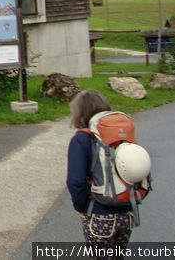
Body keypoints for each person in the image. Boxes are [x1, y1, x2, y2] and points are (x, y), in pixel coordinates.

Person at [66, 89, 134, 249]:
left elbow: (75, 181)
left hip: (99, 214)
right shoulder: (120, 136)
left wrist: (82, 208)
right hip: (127, 213)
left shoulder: (81, 139)